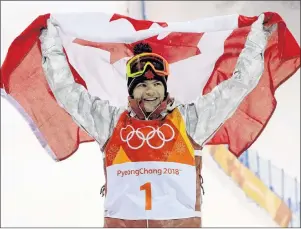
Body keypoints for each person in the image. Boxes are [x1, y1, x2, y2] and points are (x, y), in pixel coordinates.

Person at [40, 14, 273, 228]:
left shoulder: (190, 121)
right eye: (141, 85)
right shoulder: (111, 123)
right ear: (131, 91)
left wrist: (255, 42)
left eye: (156, 84)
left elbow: (236, 87)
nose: (149, 91)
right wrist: (51, 46)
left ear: (164, 89)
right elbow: (67, 92)